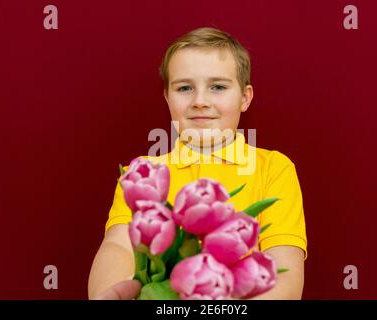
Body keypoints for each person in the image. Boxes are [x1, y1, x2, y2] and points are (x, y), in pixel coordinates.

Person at [88, 27, 307, 300]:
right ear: (167, 98)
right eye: (184, 88)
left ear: (245, 98)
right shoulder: (144, 173)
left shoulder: (273, 168)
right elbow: (119, 246)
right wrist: (108, 294)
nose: (200, 101)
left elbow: (284, 270)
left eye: (217, 87)